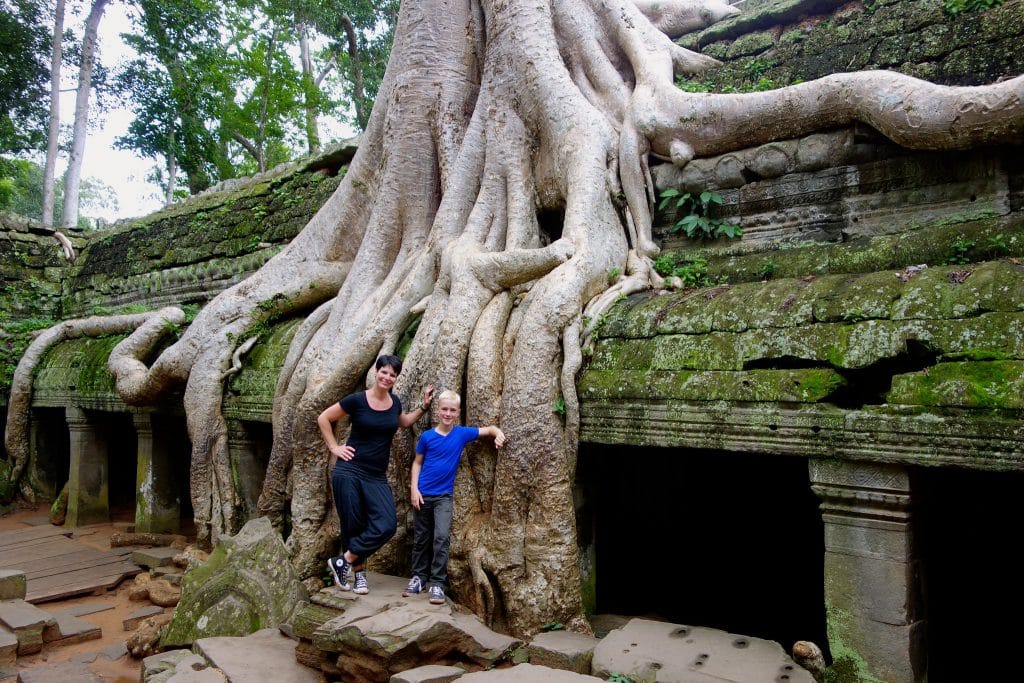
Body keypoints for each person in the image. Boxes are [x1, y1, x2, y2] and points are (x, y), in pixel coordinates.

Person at [318, 354, 434, 595]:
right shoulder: (357, 400)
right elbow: (324, 418)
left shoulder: (395, 403)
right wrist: (334, 447)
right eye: (384, 372)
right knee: (353, 523)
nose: (387, 377)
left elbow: (402, 422)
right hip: (349, 471)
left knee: (387, 524)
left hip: (375, 476)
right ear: (376, 371)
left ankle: (344, 560)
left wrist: (424, 407)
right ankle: (358, 575)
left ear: (395, 378)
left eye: (392, 374)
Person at [402, 389, 505, 605]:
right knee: (421, 538)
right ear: (438, 411)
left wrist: (498, 434)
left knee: (441, 537)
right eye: (444, 409)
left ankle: (437, 583)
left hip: (443, 497)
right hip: (422, 495)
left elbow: (489, 429)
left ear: (457, 412)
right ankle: (418, 577)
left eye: (452, 410)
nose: (448, 414)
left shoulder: (461, 434)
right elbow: (417, 463)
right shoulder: (427, 437)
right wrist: (414, 489)